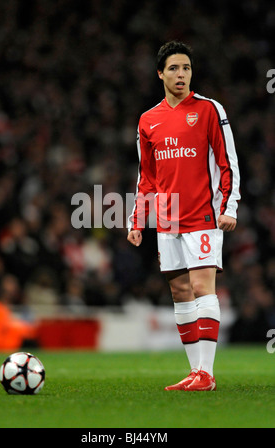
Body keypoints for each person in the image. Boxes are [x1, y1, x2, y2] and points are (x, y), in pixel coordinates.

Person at [127, 41, 240, 391]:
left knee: (202, 287)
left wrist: (229, 207)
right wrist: (136, 218)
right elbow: (147, 176)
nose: (181, 75)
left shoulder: (209, 110)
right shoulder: (148, 120)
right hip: (168, 219)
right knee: (179, 292)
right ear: (160, 73)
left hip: (203, 215)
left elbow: (227, 162)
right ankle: (196, 372)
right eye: (174, 68)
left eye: (187, 68)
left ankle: (207, 373)